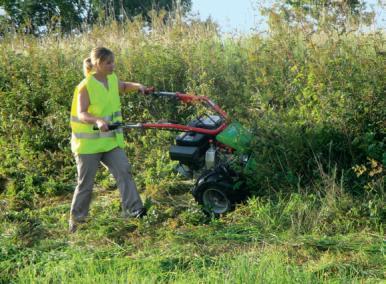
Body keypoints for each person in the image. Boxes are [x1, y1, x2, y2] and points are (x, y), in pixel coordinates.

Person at [69, 47, 147, 233]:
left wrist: (138, 86)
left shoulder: (111, 79)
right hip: (89, 145)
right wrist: (97, 120)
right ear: (97, 64)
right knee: (86, 184)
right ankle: (77, 222)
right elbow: (81, 113)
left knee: (124, 172)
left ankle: (134, 211)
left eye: (113, 62)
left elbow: (122, 86)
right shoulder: (85, 86)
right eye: (108, 63)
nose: (113, 65)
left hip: (110, 141)